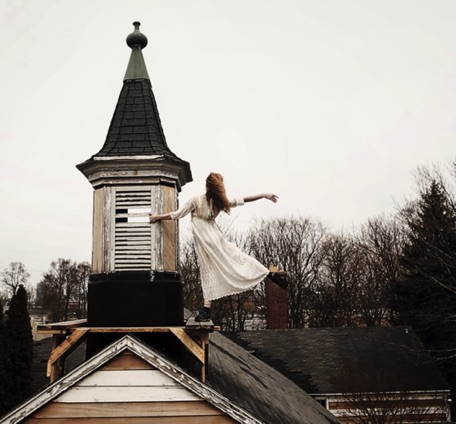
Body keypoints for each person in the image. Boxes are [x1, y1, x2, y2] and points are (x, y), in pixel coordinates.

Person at [149, 172, 288, 322]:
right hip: (218, 240)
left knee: (208, 273)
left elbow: (176, 215)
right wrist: (264, 194)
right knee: (238, 257)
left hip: (206, 244)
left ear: (207, 186)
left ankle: (206, 310)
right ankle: (267, 273)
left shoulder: (196, 200)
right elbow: (243, 199)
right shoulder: (220, 202)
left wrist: (157, 217)